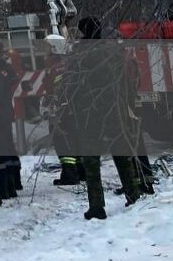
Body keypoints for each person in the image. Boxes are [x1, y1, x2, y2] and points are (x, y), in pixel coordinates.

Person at [63, 16, 142, 218]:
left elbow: (71, 85)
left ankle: (97, 206)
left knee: (91, 162)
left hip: (89, 114)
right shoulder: (112, 53)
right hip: (113, 111)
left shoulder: (79, 55)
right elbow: (125, 81)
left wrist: (71, 108)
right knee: (122, 154)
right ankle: (133, 194)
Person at [44, 34, 85, 186]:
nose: (45, 50)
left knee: (62, 141)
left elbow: (57, 91)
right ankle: (81, 171)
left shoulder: (56, 67)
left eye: (47, 47)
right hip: (71, 110)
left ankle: (69, 174)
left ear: (54, 47)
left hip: (62, 111)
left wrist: (53, 111)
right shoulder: (68, 63)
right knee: (74, 140)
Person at [0, 49, 22, 200]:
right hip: (6, 111)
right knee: (8, 145)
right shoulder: (4, 66)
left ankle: (5, 188)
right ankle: (15, 182)